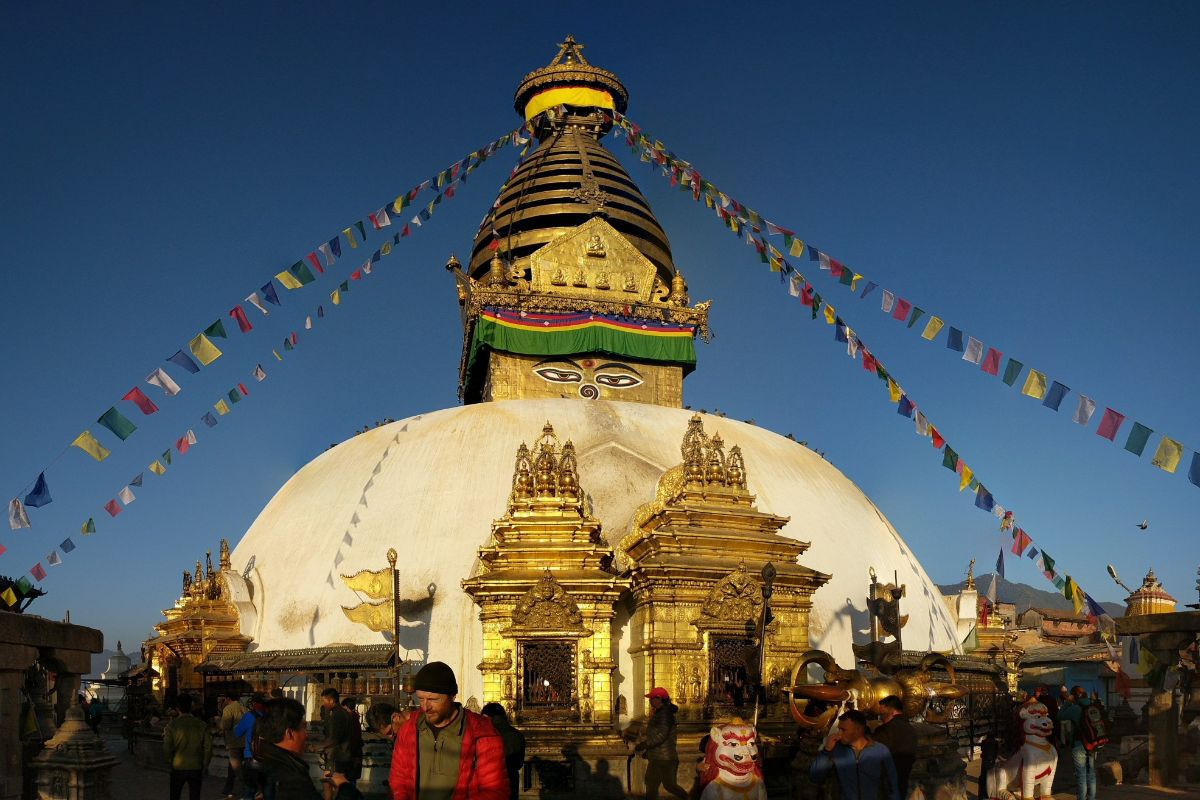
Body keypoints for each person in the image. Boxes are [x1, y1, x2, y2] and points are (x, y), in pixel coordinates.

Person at [388, 661, 508, 800]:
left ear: (452, 696)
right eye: (421, 699)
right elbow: (399, 780)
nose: (425, 707)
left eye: (433, 699)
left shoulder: (482, 734)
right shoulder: (409, 730)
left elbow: (495, 792)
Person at [255, 697, 362, 800]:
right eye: (303, 728)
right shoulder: (292, 780)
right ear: (289, 734)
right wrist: (345, 788)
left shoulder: (267, 764)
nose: (306, 735)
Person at [810, 709, 899, 800]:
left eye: (843, 730)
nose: (839, 734)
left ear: (858, 730)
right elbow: (815, 777)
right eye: (839, 729)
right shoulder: (836, 749)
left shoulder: (880, 751)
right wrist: (827, 750)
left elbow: (892, 784)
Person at [635, 687, 688, 800]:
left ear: (659, 699)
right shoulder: (661, 713)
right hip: (660, 756)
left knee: (665, 785)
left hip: (664, 758)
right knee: (654, 784)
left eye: (652, 698)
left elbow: (661, 736)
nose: (650, 701)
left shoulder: (664, 714)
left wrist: (644, 745)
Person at [1057, 685, 1104, 800]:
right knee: (1091, 773)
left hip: (1079, 745)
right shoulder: (1094, 706)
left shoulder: (1075, 708)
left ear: (1074, 696)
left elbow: (1059, 716)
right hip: (1093, 743)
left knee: (1081, 775)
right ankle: (1091, 798)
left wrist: (1068, 702)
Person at [163, 695, 213, 800]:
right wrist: (205, 765)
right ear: (191, 707)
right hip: (196, 765)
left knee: (175, 795)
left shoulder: (171, 725)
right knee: (195, 795)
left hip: (177, 766)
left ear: (177, 708)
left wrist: (169, 762)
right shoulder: (202, 724)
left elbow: (167, 748)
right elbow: (208, 748)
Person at [872, 696, 917, 800]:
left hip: (885, 784)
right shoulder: (911, 729)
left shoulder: (886, 730)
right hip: (903, 781)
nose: (880, 715)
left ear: (890, 710)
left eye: (882, 712)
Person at [481, 702, 526, 800]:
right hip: (511, 781)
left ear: (488, 717)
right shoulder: (517, 735)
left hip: (489, 783)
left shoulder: (485, 735)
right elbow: (519, 763)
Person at [320, 689, 354, 800]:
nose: (324, 704)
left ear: (331, 700)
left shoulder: (338, 714)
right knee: (327, 782)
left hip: (338, 756)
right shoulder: (338, 713)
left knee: (336, 784)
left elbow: (334, 738)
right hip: (336, 755)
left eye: (325, 701)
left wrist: (318, 746)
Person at [234, 694, 268, 800]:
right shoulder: (270, 717)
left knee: (250, 790)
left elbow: (237, 733)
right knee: (267, 789)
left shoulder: (249, 716)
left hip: (251, 756)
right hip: (268, 757)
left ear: (254, 704)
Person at [219, 691, 245, 800]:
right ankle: (228, 788)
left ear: (228, 698)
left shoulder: (228, 709)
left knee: (236, 767)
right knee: (234, 766)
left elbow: (225, 726)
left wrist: (218, 721)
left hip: (234, 742)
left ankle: (248, 788)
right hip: (244, 741)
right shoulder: (245, 708)